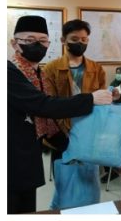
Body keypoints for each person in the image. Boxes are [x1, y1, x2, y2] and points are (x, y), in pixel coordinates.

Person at [7, 15, 112, 213]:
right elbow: (44, 105)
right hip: (12, 158)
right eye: (29, 40)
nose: (37, 45)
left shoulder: (37, 72)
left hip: (35, 153)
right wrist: (90, 99)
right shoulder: (9, 72)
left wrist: (72, 145)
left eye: (42, 41)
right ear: (15, 43)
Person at [43, 19, 107, 156]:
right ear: (63, 40)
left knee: (90, 168)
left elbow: (102, 102)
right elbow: (49, 104)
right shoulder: (51, 68)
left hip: (89, 129)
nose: (80, 43)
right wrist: (63, 132)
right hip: (62, 133)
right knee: (63, 168)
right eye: (74, 39)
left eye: (84, 39)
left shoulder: (97, 69)